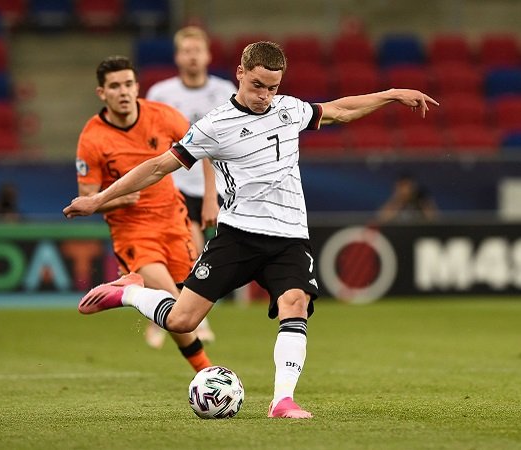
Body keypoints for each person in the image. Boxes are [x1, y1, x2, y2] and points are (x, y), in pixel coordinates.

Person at [64, 41, 439, 418]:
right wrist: (97, 200)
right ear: (241, 74)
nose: (265, 96)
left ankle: (282, 400)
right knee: (182, 320)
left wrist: (391, 94)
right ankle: (130, 293)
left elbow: (340, 110)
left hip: (290, 237)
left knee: (297, 304)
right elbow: (158, 167)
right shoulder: (214, 126)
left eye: (272, 87)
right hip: (239, 236)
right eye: (258, 85)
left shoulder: (290, 109)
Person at [72, 55, 215, 373]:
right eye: (114, 86)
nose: (122, 92)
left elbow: (203, 148)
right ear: (102, 93)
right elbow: (89, 199)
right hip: (134, 232)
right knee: (173, 303)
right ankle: (207, 373)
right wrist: (118, 200)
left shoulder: (163, 117)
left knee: (186, 310)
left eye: (128, 84)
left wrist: (210, 199)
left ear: (137, 86)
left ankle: (135, 294)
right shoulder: (92, 138)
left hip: (173, 221)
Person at [143, 26, 237, 349]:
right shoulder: (160, 93)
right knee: (188, 247)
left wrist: (213, 193)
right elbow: (151, 141)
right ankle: (192, 317)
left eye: (198, 50)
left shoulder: (225, 91)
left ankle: (166, 316)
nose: (193, 56)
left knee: (194, 252)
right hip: (176, 184)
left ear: (208, 55)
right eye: (186, 51)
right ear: (177, 56)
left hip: (217, 184)